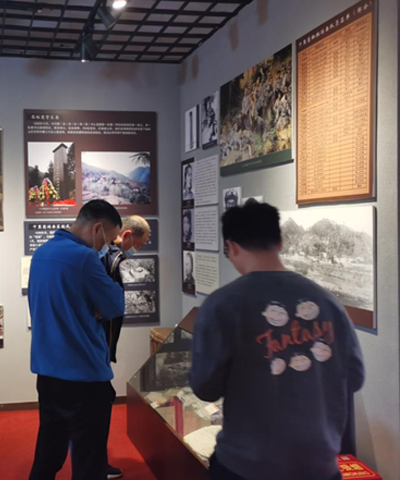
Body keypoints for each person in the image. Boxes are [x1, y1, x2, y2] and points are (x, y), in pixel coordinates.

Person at [189, 201, 365, 480]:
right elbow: (354, 378)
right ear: (281, 242)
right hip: (319, 465)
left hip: (247, 464)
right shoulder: (328, 302)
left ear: (231, 246)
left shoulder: (222, 305)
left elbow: (205, 386)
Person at [28, 199, 125, 480]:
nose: (107, 246)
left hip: (48, 372)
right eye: (109, 239)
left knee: (48, 450)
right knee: (89, 462)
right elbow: (115, 305)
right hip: (84, 375)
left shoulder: (42, 253)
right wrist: (97, 305)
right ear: (97, 229)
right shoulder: (84, 258)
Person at [100, 215, 150, 479]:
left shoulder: (107, 256)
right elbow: (108, 306)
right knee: (101, 399)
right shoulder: (113, 259)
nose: (137, 250)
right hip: (100, 341)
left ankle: (95, 461)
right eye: (138, 244)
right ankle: (96, 464)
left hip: (101, 342)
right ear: (127, 234)